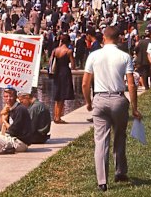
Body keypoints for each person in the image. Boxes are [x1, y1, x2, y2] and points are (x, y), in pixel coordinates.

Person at [82, 26, 142, 192]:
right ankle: (120, 171)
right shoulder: (125, 56)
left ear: (103, 38)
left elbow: (85, 83)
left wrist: (88, 102)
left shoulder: (94, 55)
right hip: (118, 98)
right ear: (119, 38)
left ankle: (102, 180)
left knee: (101, 140)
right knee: (120, 136)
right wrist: (135, 108)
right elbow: (131, 83)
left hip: (100, 98)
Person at [0, 87, 33, 155]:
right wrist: (3, 113)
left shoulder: (20, 109)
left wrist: (4, 121)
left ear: (15, 97)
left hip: (20, 143)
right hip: (14, 138)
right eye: (6, 96)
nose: (8, 98)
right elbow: (3, 127)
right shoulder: (11, 108)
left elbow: (12, 130)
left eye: (11, 96)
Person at [50, 33, 75, 124]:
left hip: (57, 72)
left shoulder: (55, 50)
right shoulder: (68, 51)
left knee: (57, 95)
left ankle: (55, 116)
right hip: (65, 72)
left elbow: (50, 62)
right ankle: (58, 117)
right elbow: (73, 65)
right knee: (62, 95)